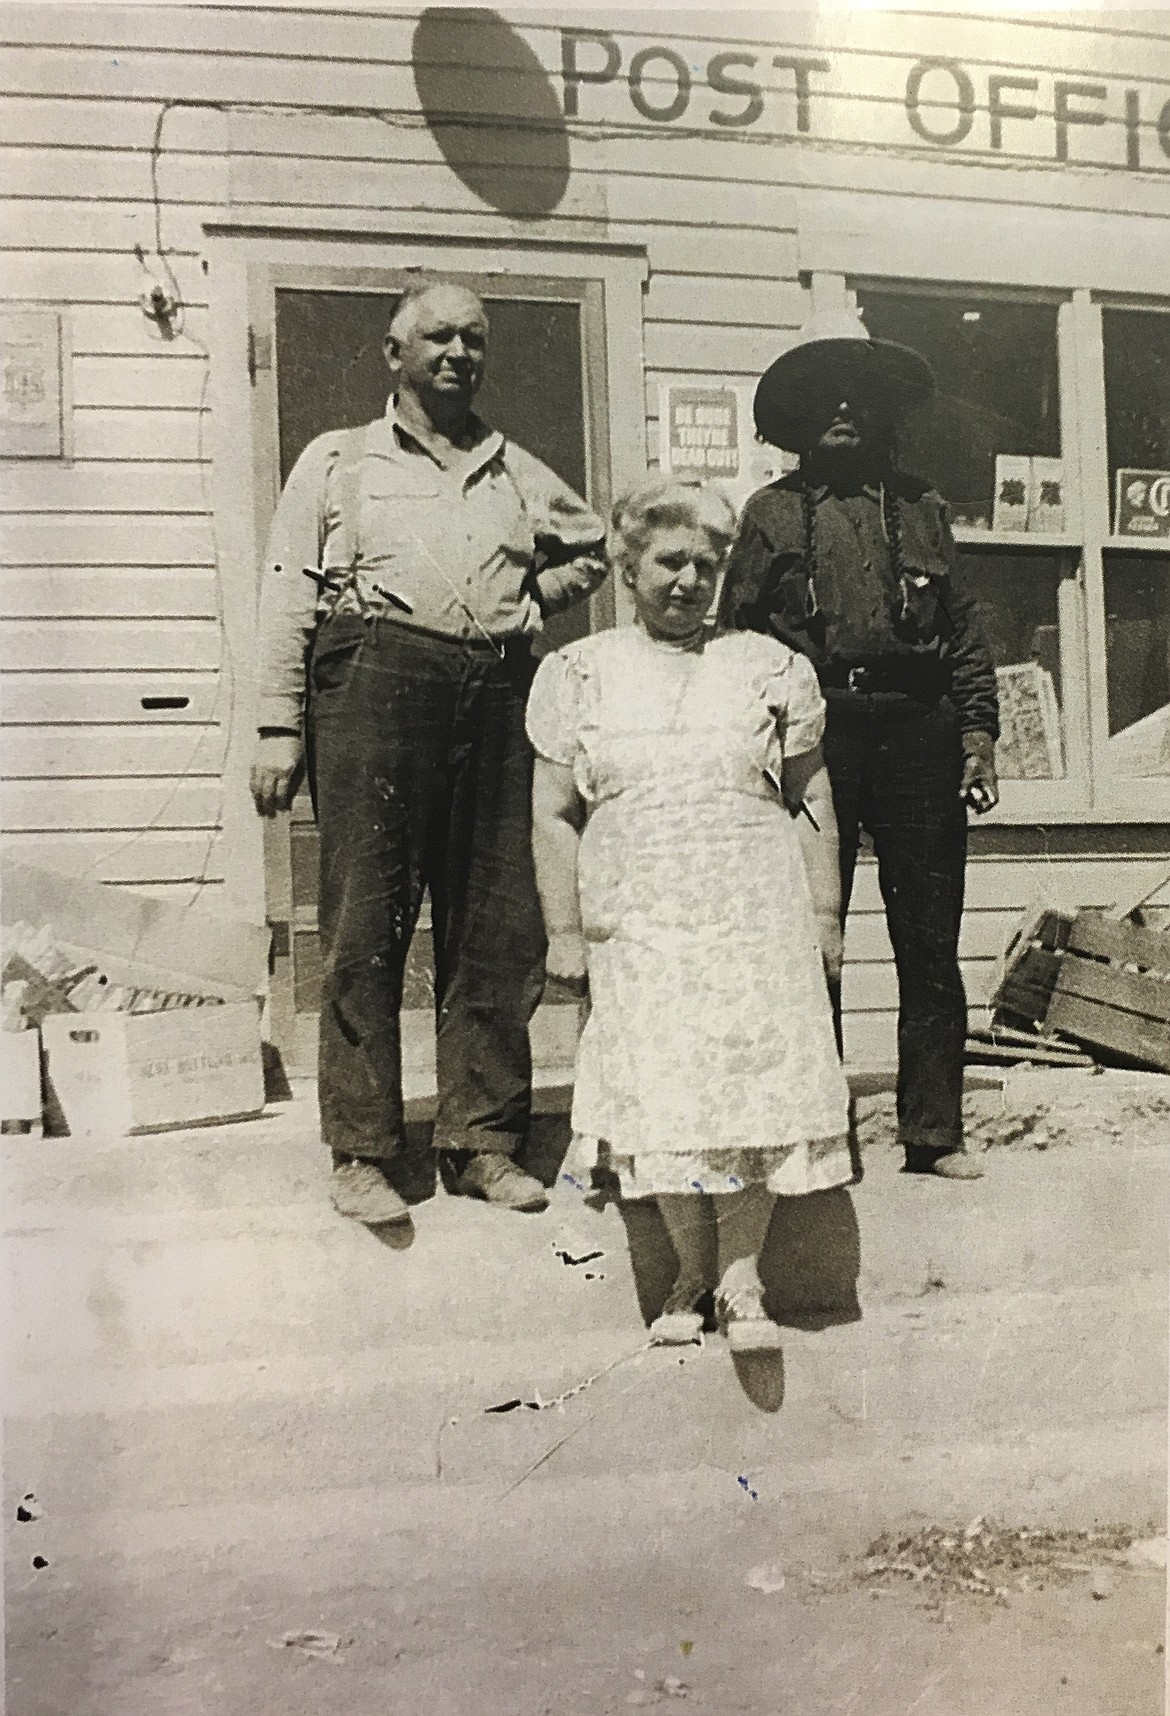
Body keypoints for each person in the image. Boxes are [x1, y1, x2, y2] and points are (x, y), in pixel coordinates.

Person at [251, 281, 607, 1226]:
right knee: (366, 920)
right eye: (438, 336)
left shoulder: (511, 469)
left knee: (498, 921)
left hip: (496, 692)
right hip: (374, 680)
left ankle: (482, 1141)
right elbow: (288, 593)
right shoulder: (338, 460)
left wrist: (533, 604)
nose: (458, 352)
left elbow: (593, 542)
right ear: (393, 352)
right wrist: (275, 724)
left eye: (474, 339)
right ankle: (364, 1149)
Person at [527, 475, 853, 1351]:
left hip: (752, 911)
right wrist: (563, 929)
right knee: (660, 1085)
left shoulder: (769, 668)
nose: (689, 582)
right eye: (670, 562)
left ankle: (743, 1278)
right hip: (639, 919)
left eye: (707, 566)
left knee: (749, 1084)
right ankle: (688, 1275)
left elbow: (810, 792)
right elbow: (553, 814)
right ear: (629, 567)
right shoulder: (580, 672)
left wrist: (825, 914)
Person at [719, 310, 1000, 1181]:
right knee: (813, 936)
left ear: (884, 413)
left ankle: (933, 1132)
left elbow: (963, 631)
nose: (842, 408)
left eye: (860, 396)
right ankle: (817, 1130)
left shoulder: (921, 506)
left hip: (918, 730)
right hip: (814, 736)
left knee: (929, 940)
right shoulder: (767, 514)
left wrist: (978, 733)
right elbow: (735, 639)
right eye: (822, 398)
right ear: (799, 420)